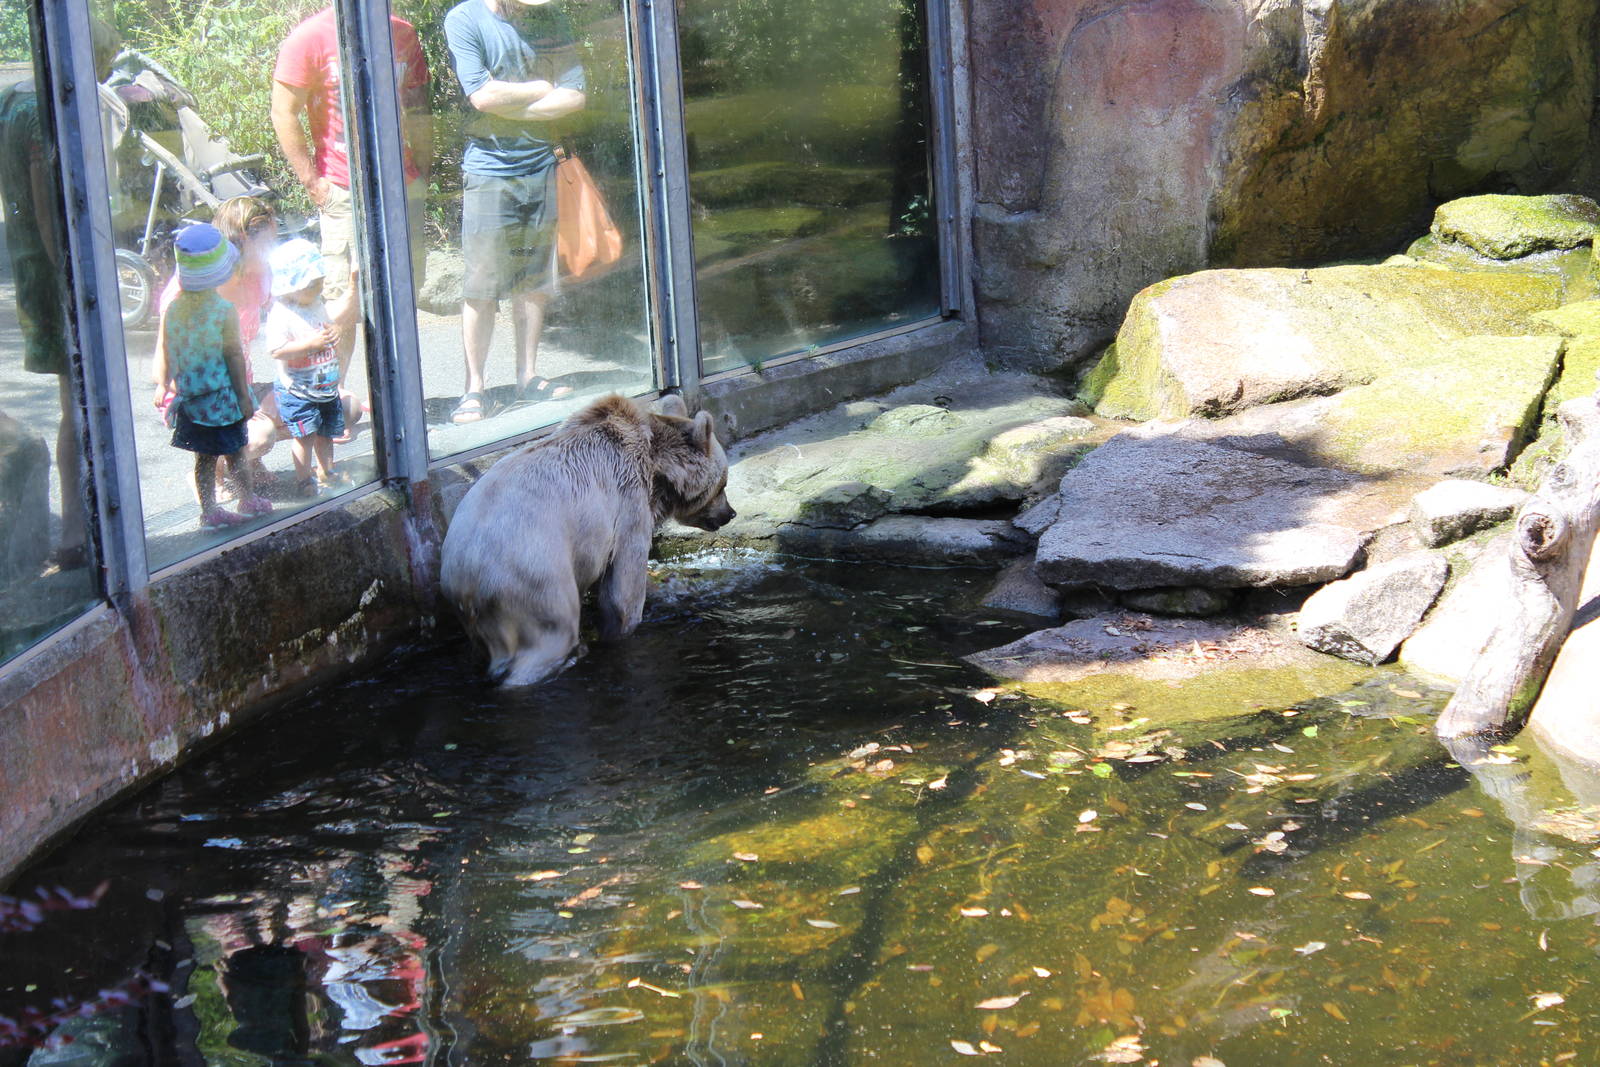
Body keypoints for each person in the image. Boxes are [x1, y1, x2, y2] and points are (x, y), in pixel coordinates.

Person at [0, 18, 121, 568]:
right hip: (55, 276)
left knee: (73, 401)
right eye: (105, 59)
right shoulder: (40, 111)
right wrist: (76, 284)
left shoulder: (16, 102)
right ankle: (75, 529)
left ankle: (83, 523)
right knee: (77, 401)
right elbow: (49, 210)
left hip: (35, 269)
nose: (108, 70)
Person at [443, 0, 585, 424]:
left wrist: (515, 105)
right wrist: (543, 87)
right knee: (481, 286)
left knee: (534, 280)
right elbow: (482, 96)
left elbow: (575, 95)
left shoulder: (552, 18)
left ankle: (528, 376)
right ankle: (475, 389)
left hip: (542, 163)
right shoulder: (465, 18)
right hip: (489, 169)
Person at [271, 5, 432, 364]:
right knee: (344, 296)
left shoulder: (403, 32)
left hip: (402, 185)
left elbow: (419, 104)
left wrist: (422, 167)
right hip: (344, 189)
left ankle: (399, 389)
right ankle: (335, 395)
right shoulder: (309, 38)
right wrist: (312, 181)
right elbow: (283, 111)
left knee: (404, 291)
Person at [159, 224, 268, 529]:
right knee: (235, 451)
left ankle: (209, 510)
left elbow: (169, 347)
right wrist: (245, 396)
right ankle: (247, 497)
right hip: (222, 399)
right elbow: (233, 355)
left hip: (192, 400)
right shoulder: (223, 310)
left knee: (204, 458)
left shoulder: (174, 309)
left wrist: (166, 382)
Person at [263, 238, 347, 497]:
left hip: (325, 387)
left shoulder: (315, 303)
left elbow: (326, 326)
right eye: (313, 283)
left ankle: (326, 471)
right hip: (298, 391)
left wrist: (334, 330)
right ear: (292, 285)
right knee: (304, 436)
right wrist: (309, 345)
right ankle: (304, 480)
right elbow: (276, 350)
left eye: (321, 280)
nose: (319, 286)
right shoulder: (281, 313)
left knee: (326, 433)